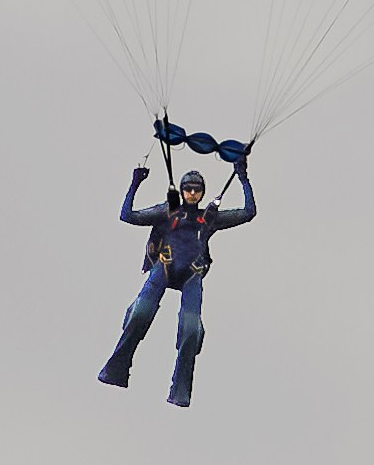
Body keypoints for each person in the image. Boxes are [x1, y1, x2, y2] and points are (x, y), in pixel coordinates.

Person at [97, 161, 255, 406]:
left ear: (202, 192)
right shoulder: (166, 212)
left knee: (191, 332)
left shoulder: (209, 219)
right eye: (188, 189)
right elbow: (127, 215)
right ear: (181, 191)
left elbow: (248, 213)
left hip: (192, 273)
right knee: (140, 314)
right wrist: (135, 183)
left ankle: (180, 392)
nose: (192, 194)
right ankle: (115, 370)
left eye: (197, 190)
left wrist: (243, 177)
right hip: (165, 267)